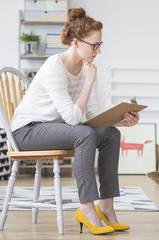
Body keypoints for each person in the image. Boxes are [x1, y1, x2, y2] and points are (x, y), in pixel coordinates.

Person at [11, 7, 137, 235]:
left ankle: (106, 206)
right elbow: (71, 118)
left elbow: (93, 117)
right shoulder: (54, 67)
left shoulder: (86, 68)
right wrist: (88, 82)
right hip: (27, 131)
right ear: (76, 42)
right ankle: (86, 208)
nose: (98, 51)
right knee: (84, 134)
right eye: (94, 45)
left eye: (100, 45)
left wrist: (121, 121)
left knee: (110, 135)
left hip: (56, 129)